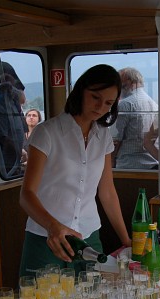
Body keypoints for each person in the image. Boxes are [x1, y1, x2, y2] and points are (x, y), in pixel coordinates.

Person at [19, 64, 131, 276]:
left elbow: (107, 192)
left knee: (93, 296)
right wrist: (53, 227)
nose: (100, 107)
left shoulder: (103, 136)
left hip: (88, 236)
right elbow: (26, 194)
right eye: (95, 97)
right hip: (46, 237)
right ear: (80, 91)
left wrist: (126, 241)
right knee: (41, 297)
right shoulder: (47, 132)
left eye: (108, 103)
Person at [112, 67, 159, 169]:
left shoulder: (125, 104)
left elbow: (116, 139)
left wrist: (110, 163)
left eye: (119, 84)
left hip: (128, 164)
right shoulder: (154, 104)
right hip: (151, 163)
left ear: (129, 82)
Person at [0, 61, 28, 178]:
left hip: (15, 157)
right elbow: (4, 139)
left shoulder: (4, 67)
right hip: (5, 162)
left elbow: (22, 98)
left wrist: (12, 90)